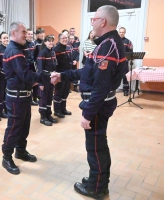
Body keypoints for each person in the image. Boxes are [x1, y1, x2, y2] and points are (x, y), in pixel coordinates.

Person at [53, 6, 127, 199]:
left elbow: (100, 87)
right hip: (100, 103)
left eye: (94, 19)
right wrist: (62, 75)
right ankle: (98, 180)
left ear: (103, 21)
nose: (92, 22)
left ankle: (97, 188)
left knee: (96, 147)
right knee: (98, 144)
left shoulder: (108, 45)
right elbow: (88, 73)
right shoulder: (106, 43)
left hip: (98, 106)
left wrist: (87, 113)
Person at [1, 22, 43, 175]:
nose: (26, 34)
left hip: (24, 95)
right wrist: (44, 78)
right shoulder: (13, 51)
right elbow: (25, 75)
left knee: (24, 126)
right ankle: (6, 157)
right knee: (14, 127)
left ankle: (21, 151)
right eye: (23, 32)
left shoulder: (20, 49)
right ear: (13, 33)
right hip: (16, 97)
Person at [36, 35, 57, 126]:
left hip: (51, 79)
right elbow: (40, 70)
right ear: (45, 42)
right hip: (44, 79)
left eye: (52, 41)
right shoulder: (42, 53)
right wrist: (40, 83)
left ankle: (48, 115)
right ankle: (43, 117)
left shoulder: (52, 52)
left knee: (49, 97)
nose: (51, 43)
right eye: (49, 41)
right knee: (43, 98)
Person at [53, 33, 72, 118]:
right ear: (59, 39)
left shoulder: (67, 48)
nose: (65, 39)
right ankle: (57, 111)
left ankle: (63, 109)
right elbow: (54, 64)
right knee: (58, 93)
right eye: (63, 38)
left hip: (67, 74)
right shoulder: (56, 49)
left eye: (66, 38)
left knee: (65, 92)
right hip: (59, 74)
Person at [0, 32, 9, 118]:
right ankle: (0, 110)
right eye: (4, 38)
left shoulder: (10, 49)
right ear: (0, 39)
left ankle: (7, 108)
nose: (6, 39)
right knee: (1, 93)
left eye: (7, 38)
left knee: (7, 92)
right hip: (0, 75)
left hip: (9, 75)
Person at [24, 28, 37, 105]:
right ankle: (29, 98)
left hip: (33, 65)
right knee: (28, 83)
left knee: (34, 82)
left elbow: (35, 55)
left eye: (31, 34)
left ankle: (35, 98)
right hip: (26, 66)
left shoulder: (33, 44)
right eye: (29, 34)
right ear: (26, 35)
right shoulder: (23, 44)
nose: (30, 35)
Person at [119, 27, 133, 96]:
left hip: (124, 62)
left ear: (125, 33)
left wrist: (127, 59)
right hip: (116, 62)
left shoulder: (128, 42)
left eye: (123, 32)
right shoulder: (115, 41)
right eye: (120, 32)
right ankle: (112, 89)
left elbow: (131, 53)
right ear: (119, 32)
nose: (121, 33)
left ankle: (125, 90)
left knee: (125, 76)